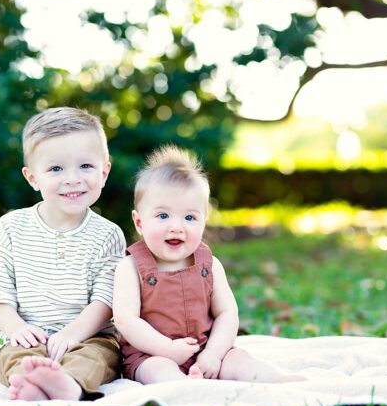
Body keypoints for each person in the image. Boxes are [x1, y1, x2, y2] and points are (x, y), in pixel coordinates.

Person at [112, 145, 305, 384]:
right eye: (163, 216)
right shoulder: (130, 267)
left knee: (239, 360)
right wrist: (168, 349)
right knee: (159, 371)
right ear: (139, 222)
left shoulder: (209, 265)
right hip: (151, 353)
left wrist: (213, 354)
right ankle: (186, 389)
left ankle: (278, 381)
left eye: (190, 217)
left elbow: (227, 313)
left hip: (204, 350)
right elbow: (126, 320)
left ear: (204, 221)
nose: (176, 226)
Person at [0, 107, 126, 401]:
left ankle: (68, 385)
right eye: (56, 169)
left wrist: (72, 334)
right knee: (14, 358)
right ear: (32, 178)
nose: (72, 179)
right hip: (29, 336)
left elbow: (106, 300)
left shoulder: (108, 235)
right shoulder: (10, 228)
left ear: (104, 172)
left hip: (89, 337)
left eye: (85, 166)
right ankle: (31, 381)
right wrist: (17, 328)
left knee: (98, 358)